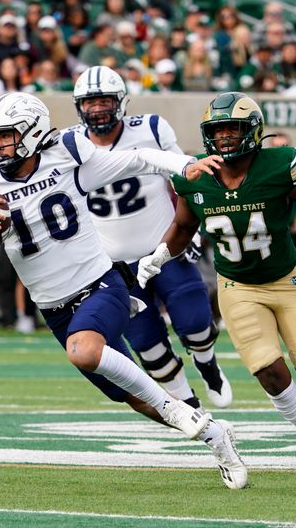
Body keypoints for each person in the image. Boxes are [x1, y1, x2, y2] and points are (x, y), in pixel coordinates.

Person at [0, 92, 248, 490]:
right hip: (54, 310)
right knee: (135, 398)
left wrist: (185, 164)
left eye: (6, 136)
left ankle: (182, 409)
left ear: (32, 132)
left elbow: (138, 159)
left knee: (84, 351)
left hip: (101, 285)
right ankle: (215, 435)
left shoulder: (67, 155)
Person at [138, 92, 296, 472]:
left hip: (287, 278)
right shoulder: (194, 177)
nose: (224, 138)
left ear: (252, 130)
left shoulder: (279, 164)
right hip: (237, 286)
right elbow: (184, 226)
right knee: (270, 372)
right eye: (216, 131)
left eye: (231, 129)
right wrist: (159, 255)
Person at [68, 65, 232, 410]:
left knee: (195, 323)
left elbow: (181, 176)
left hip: (165, 248)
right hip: (114, 265)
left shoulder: (152, 128)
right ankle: (189, 403)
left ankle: (208, 364)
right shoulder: (70, 145)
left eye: (104, 100)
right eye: (89, 102)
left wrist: (195, 226)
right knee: (147, 344)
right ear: (78, 106)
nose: (97, 108)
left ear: (121, 102)